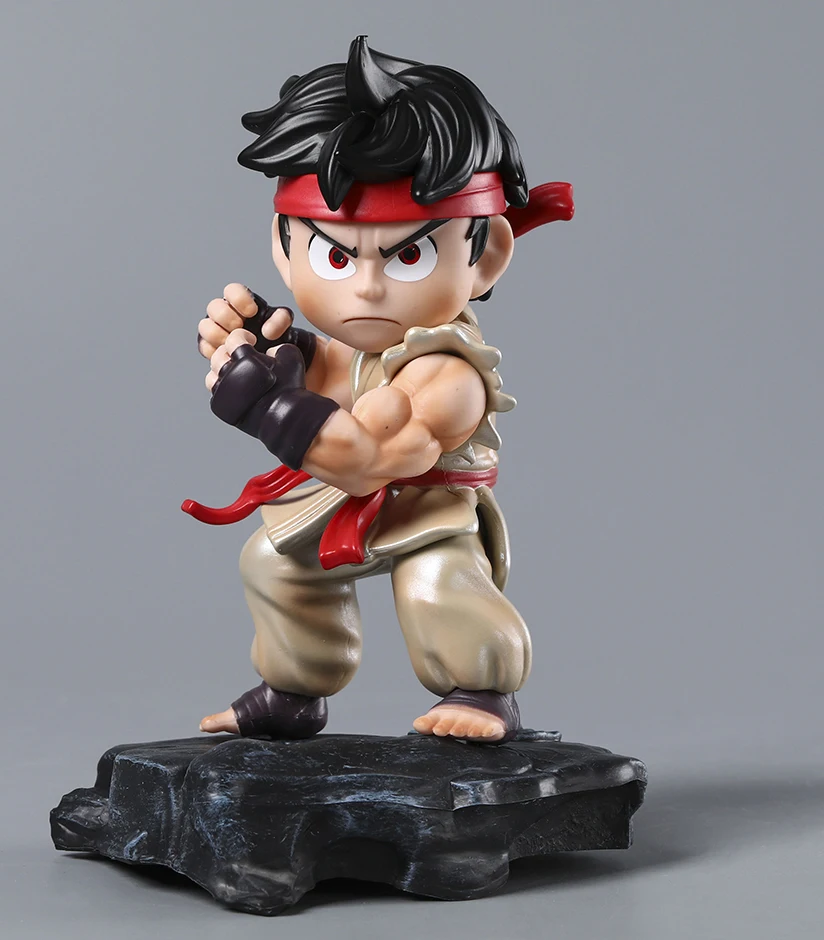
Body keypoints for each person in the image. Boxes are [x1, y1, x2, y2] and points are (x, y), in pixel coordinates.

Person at [186, 36, 572, 742]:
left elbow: (369, 458)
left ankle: (482, 692)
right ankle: (293, 692)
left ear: (485, 255)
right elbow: (337, 377)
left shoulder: (448, 372)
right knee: (273, 562)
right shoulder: (357, 348)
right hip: (346, 507)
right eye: (336, 256)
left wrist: (270, 404)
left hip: (431, 512)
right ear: (283, 246)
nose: (366, 287)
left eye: (409, 254)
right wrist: (275, 351)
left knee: (435, 585)